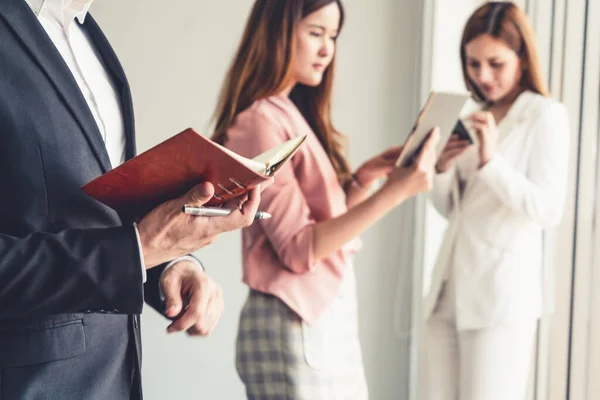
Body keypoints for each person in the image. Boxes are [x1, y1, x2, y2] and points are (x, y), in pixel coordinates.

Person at [0, 1, 265, 398]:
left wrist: (171, 264)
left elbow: (103, 214)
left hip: (118, 376)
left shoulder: (89, 37)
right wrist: (138, 250)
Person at [210, 1, 439, 398]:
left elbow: (317, 231)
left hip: (318, 322)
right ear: (279, 31)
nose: (327, 50)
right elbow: (299, 249)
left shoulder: (288, 113)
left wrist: (363, 181)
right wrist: (395, 192)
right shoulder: (261, 122)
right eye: (316, 33)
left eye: (332, 37)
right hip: (295, 322)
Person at [422, 2, 570, 399]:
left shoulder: (544, 116)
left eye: (495, 63)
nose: (482, 76)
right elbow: (452, 211)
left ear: (521, 58)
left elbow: (548, 208)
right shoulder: (472, 113)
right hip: (447, 290)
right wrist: (440, 169)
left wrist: (491, 162)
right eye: (472, 64)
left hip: (500, 296)